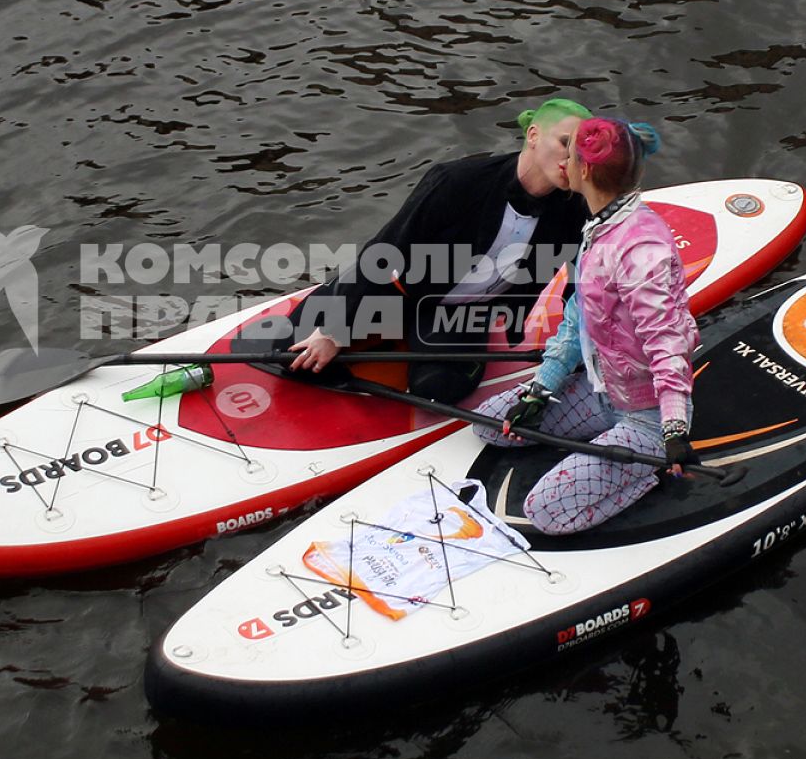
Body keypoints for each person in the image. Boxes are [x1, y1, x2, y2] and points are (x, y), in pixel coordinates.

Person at [279, 100, 593, 402]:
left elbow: (578, 285)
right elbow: (385, 248)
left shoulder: (578, 207)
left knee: (437, 388)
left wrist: (576, 349)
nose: (573, 159)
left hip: (463, 312)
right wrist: (334, 330)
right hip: (400, 288)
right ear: (534, 136)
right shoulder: (457, 181)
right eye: (565, 143)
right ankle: (369, 327)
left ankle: (411, 346)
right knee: (286, 352)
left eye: (582, 151)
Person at [473, 117, 699, 534]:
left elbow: (667, 344)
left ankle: (646, 470)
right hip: (603, 392)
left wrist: (673, 430)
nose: (562, 163)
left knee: (545, 514)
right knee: (490, 425)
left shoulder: (641, 250)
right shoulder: (600, 225)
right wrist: (543, 388)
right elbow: (580, 316)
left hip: (647, 415)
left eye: (569, 155)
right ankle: (600, 437)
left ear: (584, 171)